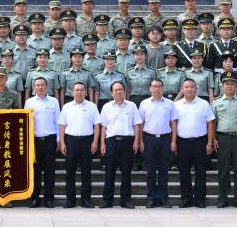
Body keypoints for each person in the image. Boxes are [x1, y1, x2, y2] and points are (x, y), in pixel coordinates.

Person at [99, 81, 141, 209]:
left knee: (126, 172)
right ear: (111, 93)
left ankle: (125, 200)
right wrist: (102, 143)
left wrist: (136, 141)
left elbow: (136, 125)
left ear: (125, 91)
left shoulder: (132, 106)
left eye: (120, 89)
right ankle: (107, 200)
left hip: (127, 141)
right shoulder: (106, 107)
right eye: (116, 90)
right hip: (111, 141)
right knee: (109, 172)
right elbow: (103, 127)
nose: (118, 92)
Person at [58, 82, 100, 208]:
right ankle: (70, 200)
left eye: (82, 90)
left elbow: (97, 125)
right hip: (70, 141)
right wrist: (62, 143)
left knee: (86, 172)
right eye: (77, 90)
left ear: (86, 92)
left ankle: (86, 200)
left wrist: (95, 142)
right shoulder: (67, 107)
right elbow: (62, 126)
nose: (79, 92)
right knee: (70, 172)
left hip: (87, 141)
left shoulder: (92, 106)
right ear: (72, 92)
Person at [211, 71, 237, 208]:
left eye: (232, 84)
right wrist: (213, 138)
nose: (229, 86)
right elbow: (213, 122)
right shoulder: (216, 102)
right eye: (226, 84)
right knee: (223, 170)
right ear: (222, 86)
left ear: (236, 86)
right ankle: (223, 198)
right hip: (222, 139)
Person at [175, 78, 215, 208]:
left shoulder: (204, 104)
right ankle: (186, 199)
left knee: (200, 172)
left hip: (200, 142)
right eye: (186, 87)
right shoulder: (176, 105)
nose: (189, 89)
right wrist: (173, 142)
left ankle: (199, 199)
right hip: (182, 142)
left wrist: (209, 142)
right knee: (183, 172)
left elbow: (210, 123)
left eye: (192, 87)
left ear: (196, 89)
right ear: (182, 89)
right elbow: (173, 124)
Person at [138, 78, 177, 208]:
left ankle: (163, 198)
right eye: (154, 86)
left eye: (159, 86)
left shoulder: (170, 103)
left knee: (163, 170)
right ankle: (151, 198)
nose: (157, 88)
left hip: (165, 139)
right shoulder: (144, 103)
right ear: (150, 88)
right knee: (150, 171)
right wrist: (140, 141)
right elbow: (140, 123)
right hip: (149, 139)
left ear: (162, 88)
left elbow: (173, 123)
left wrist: (173, 141)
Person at [25, 76, 60, 208]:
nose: (40, 87)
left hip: (50, 139)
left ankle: (49, 199)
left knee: (50, 171)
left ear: (47, 87)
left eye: (42, 85)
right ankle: (35, 198)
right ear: (34, 87)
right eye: (37, 85)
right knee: (35, 171)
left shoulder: (54, 101)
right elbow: (26, 122)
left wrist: (58, 139)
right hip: (34, 141)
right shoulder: (29, 102)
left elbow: (58, 121)